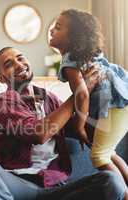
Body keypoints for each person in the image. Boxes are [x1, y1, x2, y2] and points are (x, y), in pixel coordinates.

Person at [0, 47, 126, 200]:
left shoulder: (50, 99)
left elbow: (84, 133)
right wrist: (81, 90)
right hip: (16, 185)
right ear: (1, 78)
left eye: (21, 58)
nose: (18, 64)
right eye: (9, 64)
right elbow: (39, 134)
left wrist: (114, 106)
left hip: (56, 188)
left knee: (111, 181)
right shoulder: (2, 102)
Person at [49, 9, 128, 196]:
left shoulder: (70, 60)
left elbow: (82, 95)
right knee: (109, 153)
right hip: (121, 104)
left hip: (113, 107)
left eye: (58, 27)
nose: (52, 30)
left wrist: (80, 125)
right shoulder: (87, 56)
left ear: (73, 38)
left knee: (99, 156)